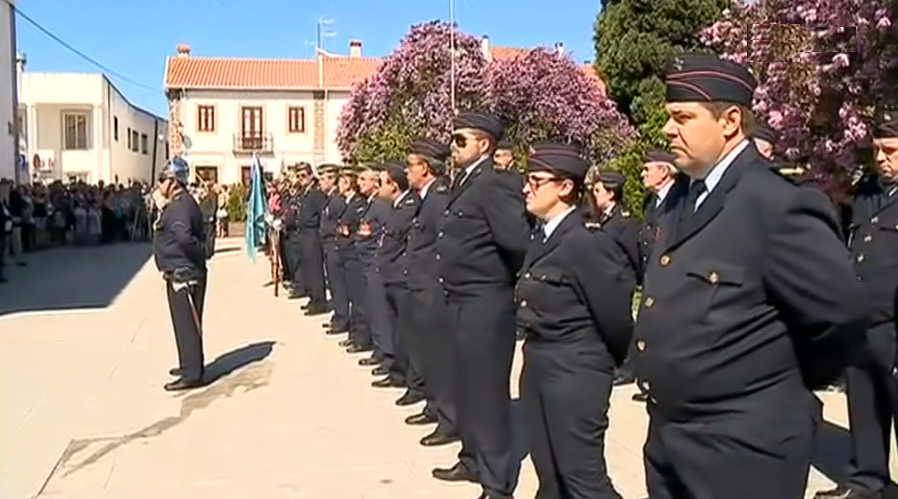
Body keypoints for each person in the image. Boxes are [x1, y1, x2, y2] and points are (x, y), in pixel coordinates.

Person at [634, 53, 868, 499]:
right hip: (670, 442)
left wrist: (775, 383)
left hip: (743, 450)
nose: (668, 129)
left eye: (682, 117)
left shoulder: (777, 204)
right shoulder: (682, 199)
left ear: (730, 121)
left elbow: (842, 318)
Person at [518, 144, 633, 499]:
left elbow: (615, 318)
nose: (526, 188)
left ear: (565, 187)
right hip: (539, 363)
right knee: (550, 475)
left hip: (575, 370)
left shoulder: (586, 242)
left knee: (583, 479)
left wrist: (594, 366)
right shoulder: (542, 235)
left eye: (536, 181)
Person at [432, 111, 530, 499]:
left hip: (485, 303)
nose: (452, 147)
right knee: (466, 387)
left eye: (461, 140)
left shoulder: (494, 184)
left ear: (484, 145)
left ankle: (496, 482)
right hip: (459, 299)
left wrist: (501, 283)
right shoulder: (465, 182)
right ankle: (472, 458)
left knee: (487, 395)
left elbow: (517, 242)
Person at [813, 115, 898, 499]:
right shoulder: (868, 193)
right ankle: (868, 481)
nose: (881, 158)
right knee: (863, 405)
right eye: (878, 150)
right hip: (863, 324)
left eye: (891, 151)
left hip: (894, 325)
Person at [402, 137, 457, 444]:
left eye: (410, 165)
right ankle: (435, 405)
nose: (406, 171)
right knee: (427, 353)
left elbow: (442, 246)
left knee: (439, 355)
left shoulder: (438, 198)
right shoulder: (426, 197)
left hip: (433, 290)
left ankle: (448, 417)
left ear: (424, 167)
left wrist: (435, 285)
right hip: (421, 286)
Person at [152, 157, 208, 392]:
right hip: (180, 271)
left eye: (163, 180)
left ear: (174, 182)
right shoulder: (177, 203)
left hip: (184, 274)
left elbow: (185, 238)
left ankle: (192, 373)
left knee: (188, 324)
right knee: (183, 324)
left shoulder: (179, 206)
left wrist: (197, 258)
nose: (159, 185)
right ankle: (188, 364)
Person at [630, 149, 678, 402]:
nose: (643, 174)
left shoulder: (678, 199)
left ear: (664, 171)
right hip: (651, 274)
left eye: (648, 169)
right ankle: (651, 383)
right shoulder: (653, 202)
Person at [374, 161, 421, 389]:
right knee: (396, 328)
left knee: (405, 331)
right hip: (391, 275)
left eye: (381, 182)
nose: (377, 186)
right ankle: (398, 371)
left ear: (393, 186)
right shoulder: (395, 206)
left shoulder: (409, 206)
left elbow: (397, 241)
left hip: (401, 277)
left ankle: (408, 376)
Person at [335, 166, 371, 353]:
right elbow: (341, 226)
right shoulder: (349, 202)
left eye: (341, 181)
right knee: (353, 297)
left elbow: (350, 229)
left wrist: (344, 230)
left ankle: (362, 337)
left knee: (359, 300)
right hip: (347, 254)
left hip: (354, 254)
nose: (338, 185)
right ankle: (355, 334)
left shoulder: (360, 203)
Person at [318, 165, 350, 335]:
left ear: (332, 180)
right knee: (333, 283)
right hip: (328, 245)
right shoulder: (329, 199)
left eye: (324, 179)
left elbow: (340, 224)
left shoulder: (337, 201)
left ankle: (342, 318)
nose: (321, 183)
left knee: (338, 284)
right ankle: (338, 315)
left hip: (334, 245)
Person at [294, 164, 329, 316]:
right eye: (299, 176)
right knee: (307, 267)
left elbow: (322, 214)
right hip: (303, 234)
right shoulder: (305, 193)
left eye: (303, 176)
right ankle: (312, 297)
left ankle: (319, 301)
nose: (300, 179)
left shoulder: (316, 193)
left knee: (315, 269)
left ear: (310, 175)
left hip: (312, 234)